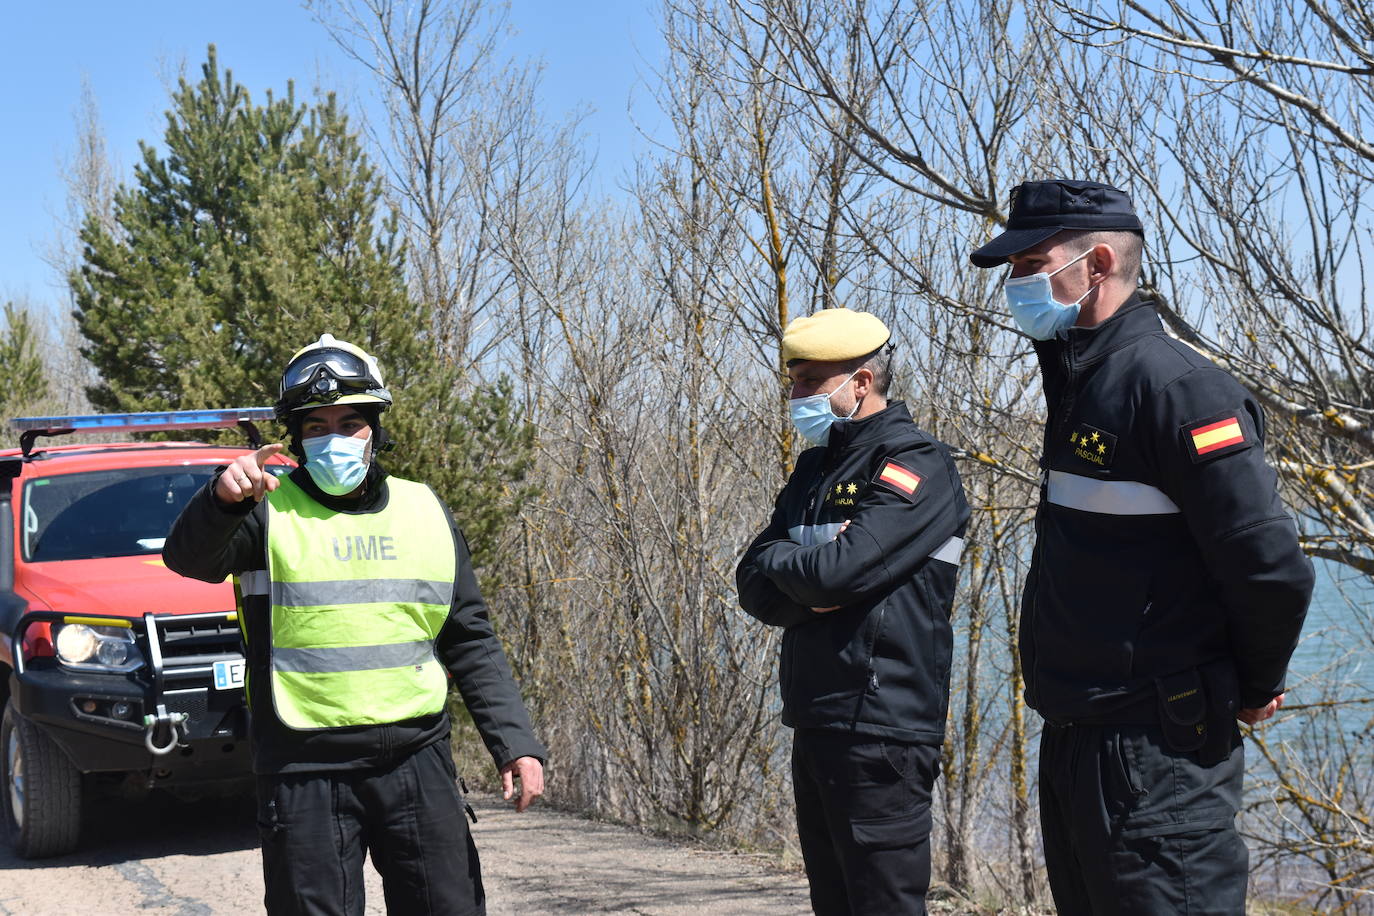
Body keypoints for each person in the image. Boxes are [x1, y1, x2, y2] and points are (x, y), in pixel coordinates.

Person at [969, 179, 1314, 914]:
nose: (1015, 284)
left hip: (1158, 757)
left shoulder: (1177, 391)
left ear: (1095, 264)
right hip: (1079, 743)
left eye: (1030, 263)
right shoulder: (1084, 383)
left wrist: (1253, 687)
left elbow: (1271, 568)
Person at [165, 334, 545, 916]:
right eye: (316, 426)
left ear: (376, 429)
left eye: (350, 423)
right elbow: (188, 559)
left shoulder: (424, 510)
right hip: (303, 769)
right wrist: (220, 499)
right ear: (296, 437)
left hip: (417, 760)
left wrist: (514, 743)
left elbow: (469, 636)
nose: (334, 438)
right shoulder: (264, 509)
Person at [735, 308, 969, 915]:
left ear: (860, 382)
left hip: (882, 726)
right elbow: (751, 583)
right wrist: (811, 571)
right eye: (793, 381)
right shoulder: (815, 469)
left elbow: (840, 571)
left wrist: (807, 568)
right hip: (815, 716)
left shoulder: (916, 464)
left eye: (810, 380)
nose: (795, 395)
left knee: (882, 906)